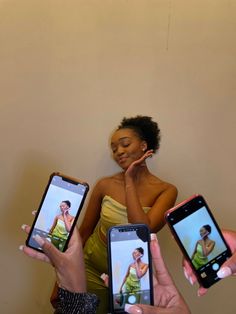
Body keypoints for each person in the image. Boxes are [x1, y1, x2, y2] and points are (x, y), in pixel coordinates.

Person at [77, 115, 178, 313]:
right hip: (90, 267)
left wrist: (129, 180)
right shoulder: (104, 185)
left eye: (124, 144)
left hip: (131, 275)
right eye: (114, 149)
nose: (118, 152)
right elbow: (84, 232)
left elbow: (143, 229)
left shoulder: (166, 190)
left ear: (143, 146)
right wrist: (61, 280)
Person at [20, 224, 190, 314]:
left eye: (138, 254)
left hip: (137, 289)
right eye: (135, 254)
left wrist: (75, 296)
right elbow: (124, 278)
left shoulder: (142, 264)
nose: (136, 256)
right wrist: (122, 286)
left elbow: (139, 274)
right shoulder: (105, 184)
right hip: (111, 278)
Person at [183, 229, 236, 297]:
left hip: (203, 262)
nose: (201, 233)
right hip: (195, 262)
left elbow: (205, 253)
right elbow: (194, 252)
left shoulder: (212, 242)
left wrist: (202, 243)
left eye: (203, 231)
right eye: (200, 231)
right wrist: (191, 261)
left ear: (208, 232)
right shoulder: (198, 241)